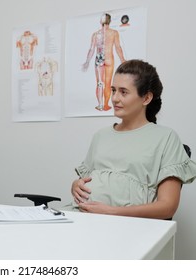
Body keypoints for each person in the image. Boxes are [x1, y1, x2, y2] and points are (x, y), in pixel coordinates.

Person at [68, 60, 196, 219]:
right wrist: (76, 185)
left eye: (123, 92)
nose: (114, 98)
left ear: (146, 98)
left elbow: (167, 207)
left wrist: (111, 212)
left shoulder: (166, 138)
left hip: (127, 226)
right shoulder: (100, 136)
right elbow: (85, 181)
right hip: (80, 217)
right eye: (113, 90)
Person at [82, 13, 126, 111]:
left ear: (100, 21)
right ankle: (106, 105)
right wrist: (123, 60)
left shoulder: (95, 34)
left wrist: (87, 62)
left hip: (99, 58)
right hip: (109, 58)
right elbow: (118, 47)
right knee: (108, 83)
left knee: (99, 83)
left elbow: (92, 49)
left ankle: (100, 105)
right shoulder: (114, 33)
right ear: (109, 21)